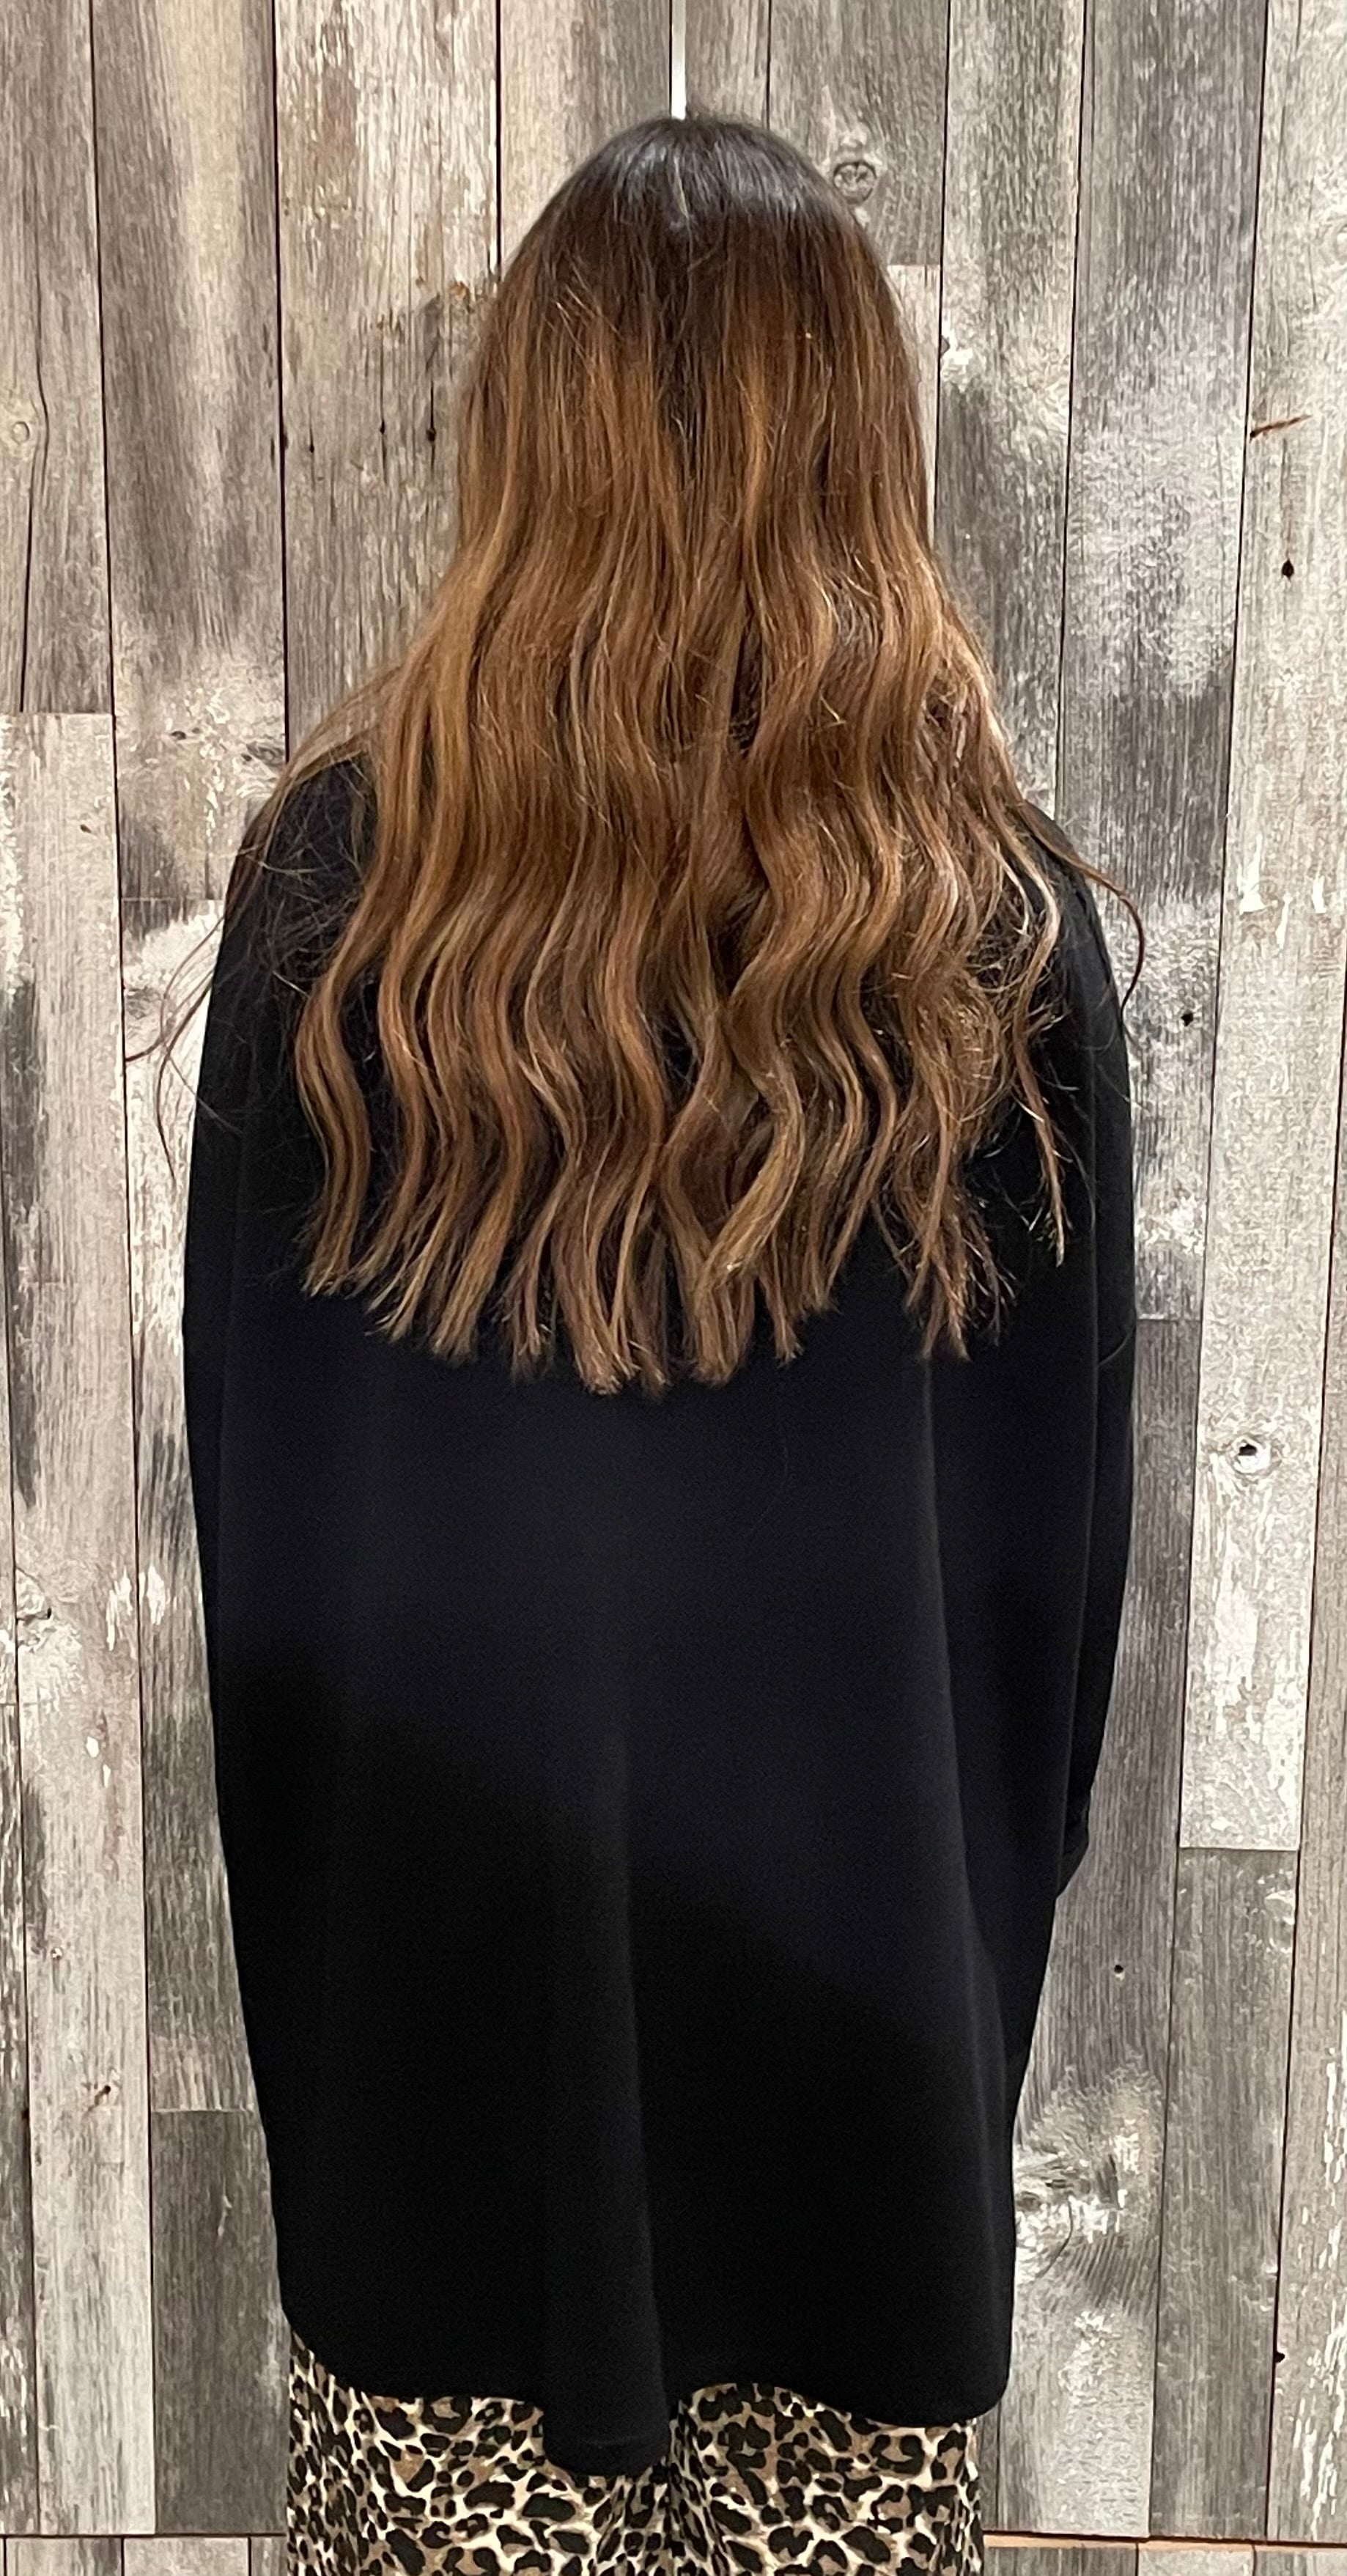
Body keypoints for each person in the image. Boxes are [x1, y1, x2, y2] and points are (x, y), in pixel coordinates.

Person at [171, 107, 1140, 2576]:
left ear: (527, 441)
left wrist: (333, 2019)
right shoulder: (996, 954)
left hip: (433, 2102)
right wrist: (966, 1952)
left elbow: (258, 1559)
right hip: (863, 2096)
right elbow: (1058, 1620)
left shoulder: (339, 922)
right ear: (862, 444)